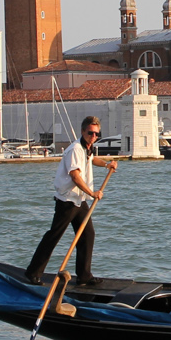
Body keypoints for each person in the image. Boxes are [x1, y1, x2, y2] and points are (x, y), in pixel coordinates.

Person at [24, 115, 117, 285]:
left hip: (79, 200)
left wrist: (106, 164)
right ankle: (33, 272)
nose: (94, 137)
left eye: (97, 134)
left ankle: (84, 276)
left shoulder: (87, 148)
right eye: (90, 133)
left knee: (87, 234)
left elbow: (91, 160)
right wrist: (93, 193)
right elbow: (75, 176)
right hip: (67, 200)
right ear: (83, 131)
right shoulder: (75, 149)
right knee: (54, 235)